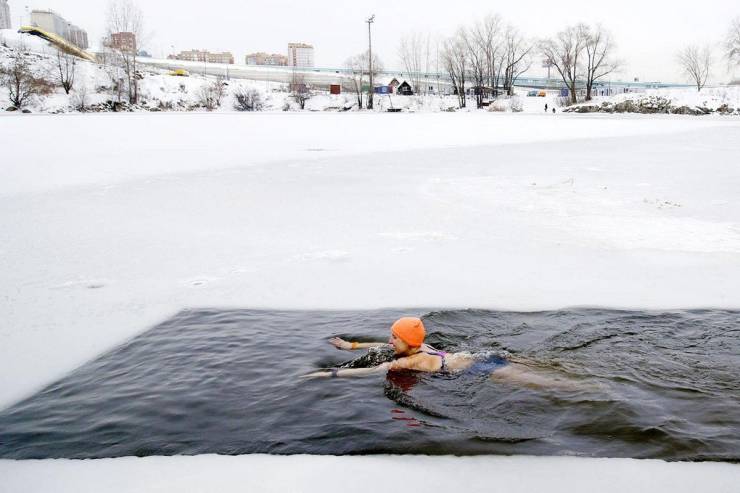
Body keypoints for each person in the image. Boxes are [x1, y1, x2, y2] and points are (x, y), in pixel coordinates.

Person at [305, 317, 590, 390]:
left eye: (394, 337)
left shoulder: (412, 360)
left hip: (481, 368)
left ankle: (586, 389)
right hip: (485, 355)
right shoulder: (421, 346)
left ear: (406, 341)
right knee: (551, 368)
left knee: (549, 384)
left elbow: (373, 370)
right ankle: (584, 381)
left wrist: (330, 374)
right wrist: (351, 346)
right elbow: (382, 346)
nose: (390, 340)